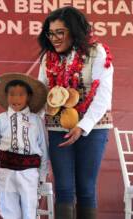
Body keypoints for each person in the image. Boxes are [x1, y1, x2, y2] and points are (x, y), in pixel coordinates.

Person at [37, 6, 114, 219]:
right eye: (50, 33)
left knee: (86, 189)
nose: (54, 38)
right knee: (63, 188)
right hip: (58, 127)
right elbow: (41, 93)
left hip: (93, 127)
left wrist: (82, 126)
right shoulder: (48, 58)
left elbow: (103, 97)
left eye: (60, 32)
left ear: (74, 30)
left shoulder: (97, 52)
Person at [0, 73, 48, 219]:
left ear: (28, 97)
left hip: (30, 173)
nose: (16, 98)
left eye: (21, 94)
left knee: (29, 211)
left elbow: (43, 149)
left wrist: (42, 175)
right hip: (6, 172)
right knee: (8, 210)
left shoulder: (36, 120)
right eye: (12, 94)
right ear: (6, 96)